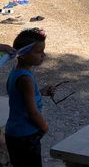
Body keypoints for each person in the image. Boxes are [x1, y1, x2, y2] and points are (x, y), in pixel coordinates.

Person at [5, 28, 55, 167]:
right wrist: (44, 126)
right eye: (39, 52)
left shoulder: (18, 72)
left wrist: (41, 92)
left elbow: (19, 97)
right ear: (23, 54)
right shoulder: (25, 79)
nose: (43, 55)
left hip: (15, 132)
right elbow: (32, 112)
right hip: (25, 135)